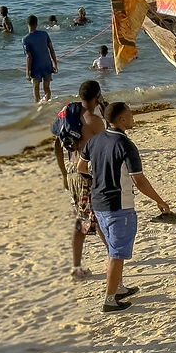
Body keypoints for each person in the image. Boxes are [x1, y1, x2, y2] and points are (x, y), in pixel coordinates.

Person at [79, 101, 171, 313]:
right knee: (117, 254)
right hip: (119, 206)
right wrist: (159, 200)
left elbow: (80, 166)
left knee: (112, 249)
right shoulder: (125, 145)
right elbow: (139, 180)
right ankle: (110, 300)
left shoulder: (96, 140)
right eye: (130, 114)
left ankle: (118, 288)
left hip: (98, 202)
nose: (133, 117)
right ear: (120, 120)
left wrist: (98, 181)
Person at [53, 80, 107, 280]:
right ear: (97, 96)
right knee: (95, 218)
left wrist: (63, 175)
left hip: (71, 173)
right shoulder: (94, 121)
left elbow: (57, 146)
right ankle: (110, 257)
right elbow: (106, 148)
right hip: (86, 177)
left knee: (85, 218)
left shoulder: (68, 116)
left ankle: (81, 263)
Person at [23, 14, 58, 103]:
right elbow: (51, 49)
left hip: (36, 68)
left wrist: (27, 72)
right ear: (36, 24)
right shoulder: (44, 34)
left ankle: (38, 107)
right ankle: (48, 103)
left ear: (27, 24)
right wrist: (55, 64)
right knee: (47, 88)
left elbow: (29, 57)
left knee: (36, 89)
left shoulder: (26, 39)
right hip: (47, 65)